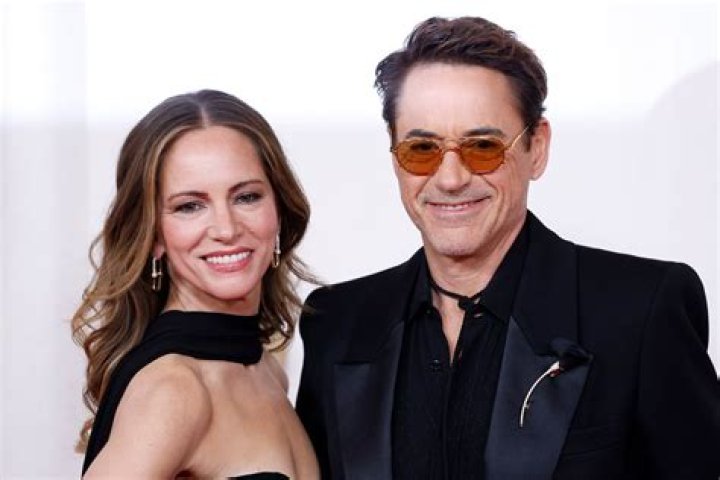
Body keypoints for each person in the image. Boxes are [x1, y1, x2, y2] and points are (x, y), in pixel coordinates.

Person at [296, 16, 720, 480]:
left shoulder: (641, 310)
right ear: (395, 156)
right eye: (422, 150)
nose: (450, 179)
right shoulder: (336, 323)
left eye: (482, 146)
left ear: (536, 148)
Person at [72, 89, 319, 479]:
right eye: (190, 206)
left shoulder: (266, 370)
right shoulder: (175, 389)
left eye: (246, 197)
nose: (226, 228)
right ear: (153, 235)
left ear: (279, 209)